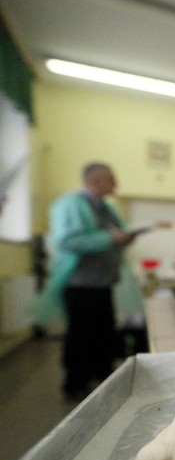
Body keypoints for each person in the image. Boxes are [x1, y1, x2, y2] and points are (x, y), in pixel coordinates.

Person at [32, 162, 143, 401]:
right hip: (80, 283)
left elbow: (113, 235)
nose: (116, 184)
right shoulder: (70, 205)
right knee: (80, 335)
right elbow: (68, 241)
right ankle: (75, 384)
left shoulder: (106, 208)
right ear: (95, 181)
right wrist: (109, 238)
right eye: (111, 179)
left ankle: (103, 376)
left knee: (103, 332)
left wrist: (124, 238)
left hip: (103, 282)